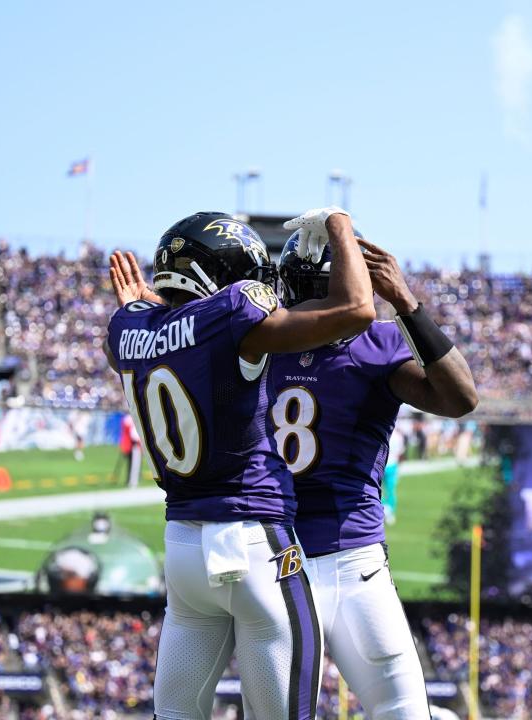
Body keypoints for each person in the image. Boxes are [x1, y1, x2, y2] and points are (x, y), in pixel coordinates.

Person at [106, 208, 374, 720]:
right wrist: (340, 224)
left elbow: (166, 335)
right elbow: (359, 309)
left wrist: (150, 307)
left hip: (183, 549)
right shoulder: (231, 313)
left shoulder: (125, 328)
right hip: (255, 542)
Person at [267, 231, 477, 719]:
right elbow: (461, 398)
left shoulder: (257, 344)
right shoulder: (374, 345)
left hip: (275, 560)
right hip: (350, 561)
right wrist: (405, 301)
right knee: (403, 711)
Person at [383, 428, 405, 525]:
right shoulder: (398, 436)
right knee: (390, 490)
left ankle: (386, 510)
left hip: (383, 465)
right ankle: (388, 511)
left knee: (378, 490)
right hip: (392, 465)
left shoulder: (384, 432)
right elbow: (400, 454)